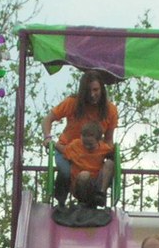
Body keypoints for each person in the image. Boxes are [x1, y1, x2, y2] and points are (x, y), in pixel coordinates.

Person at [42, 71, 118, 206]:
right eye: (88, 91)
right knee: (66, 172)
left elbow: (108, 139)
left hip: (90, 152)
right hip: (67, 148)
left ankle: (98, 196)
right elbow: (48, 119)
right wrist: (48, 138)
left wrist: (107, 154)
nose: (92, 94)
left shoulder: (110, 110)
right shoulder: (73, 103)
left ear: (102, 89)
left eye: (95, 90)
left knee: (102, 169)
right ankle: (60, 201)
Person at [59, 120, 114, 207]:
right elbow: (63, 150)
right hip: (80, 184)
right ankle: (83, 202)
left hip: (96, 184)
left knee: (110, 163)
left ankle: (101, 194)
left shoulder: (104, 148)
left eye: (91, 144)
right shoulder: (75, 145)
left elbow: (112, 158)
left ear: (98, 140)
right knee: (84, 175)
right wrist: (51, 143)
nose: (87, 146)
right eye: (85, 143)